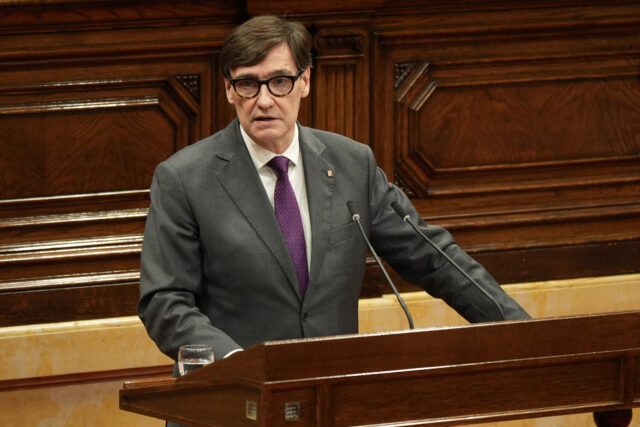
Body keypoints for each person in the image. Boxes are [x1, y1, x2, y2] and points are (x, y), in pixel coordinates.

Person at [139, 12, 529, 389]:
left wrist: (521, 332)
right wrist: (236, 365)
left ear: (305, 81)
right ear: (229, 89)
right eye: (247, 84)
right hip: (230, 399)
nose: (264, 100)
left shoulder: (352, 165)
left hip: (329, 395)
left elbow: (434, 258)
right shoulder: (184, 178)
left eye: (280, 82)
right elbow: (164, 302)